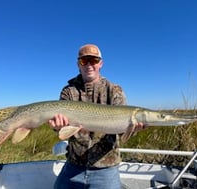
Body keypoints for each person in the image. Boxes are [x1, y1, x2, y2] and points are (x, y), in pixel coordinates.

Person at [49, 44, 143, 189]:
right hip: (73, 166)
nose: (89, 65)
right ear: (78, 65)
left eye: (93, 60)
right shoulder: (68, 91)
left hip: (106, 169)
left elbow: (121, 129)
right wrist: (58, 127)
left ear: (100, 63)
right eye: (83, 61)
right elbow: (63, 127)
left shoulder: (114, 90)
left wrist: (132, 128)